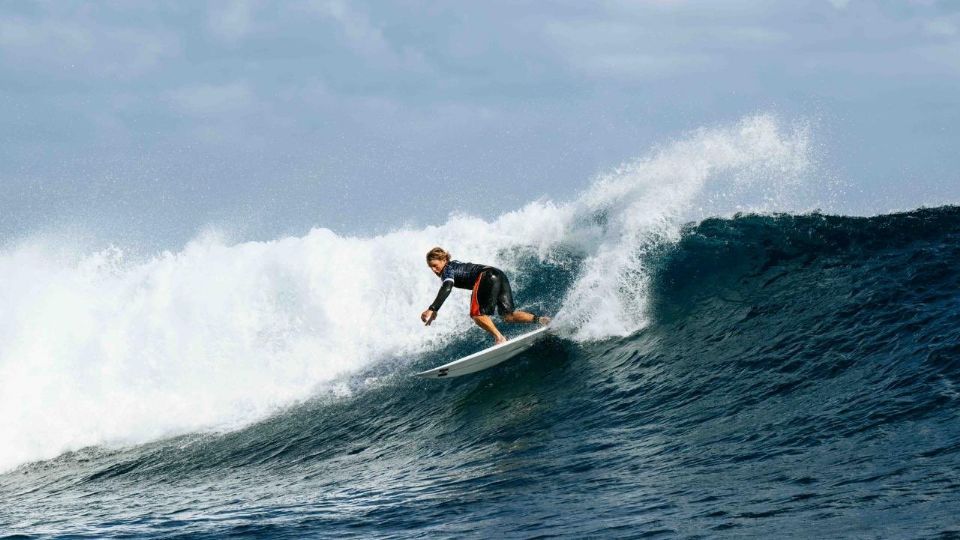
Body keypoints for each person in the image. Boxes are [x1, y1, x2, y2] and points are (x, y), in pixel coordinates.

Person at [421, 247, 550, 344]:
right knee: (508, 316)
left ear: (444, 260)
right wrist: (436, 310)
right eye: (430, 267)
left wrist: (432, 308)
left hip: (486, 276)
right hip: (498, 273)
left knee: (476, 315)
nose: (433, 270)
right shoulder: (454, 265)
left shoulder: (447, 269)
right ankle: (542, 320)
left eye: (435, 265)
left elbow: (447, 287)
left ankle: (499, 338)